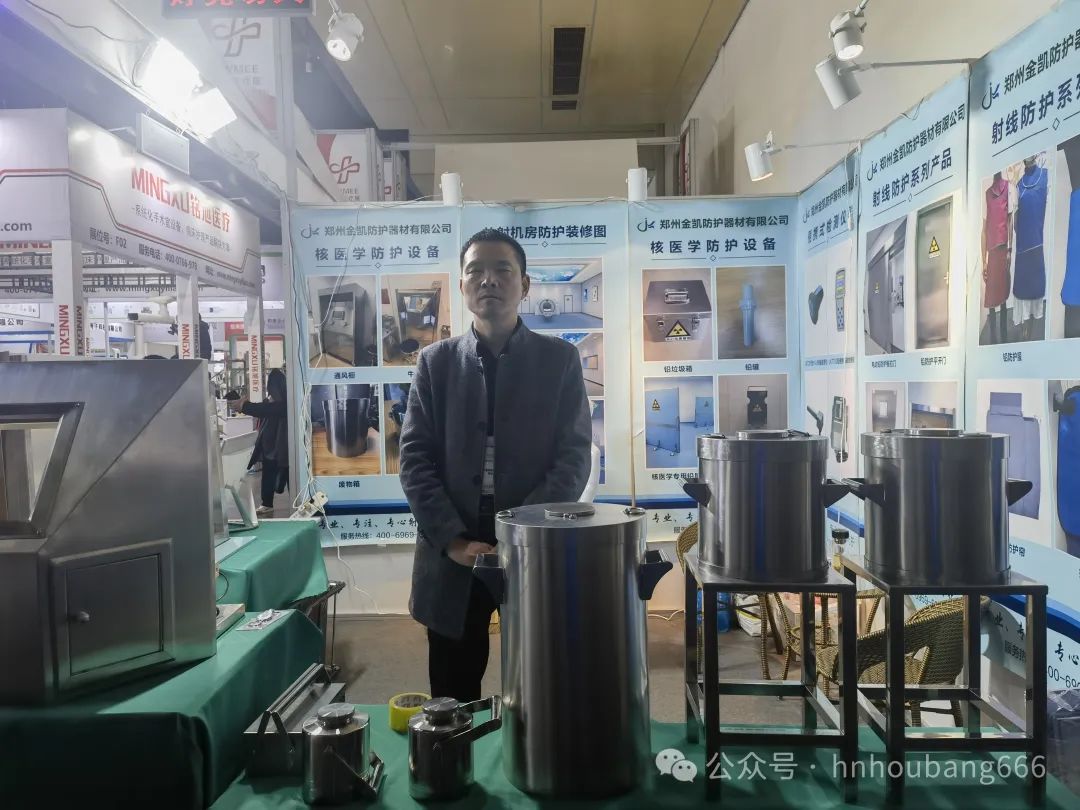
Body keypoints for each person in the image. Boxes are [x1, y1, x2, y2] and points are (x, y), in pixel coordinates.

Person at [399, 228, 592, 702]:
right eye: (475, 271)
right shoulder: (436, 363)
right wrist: (452, 540)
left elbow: (573, 458)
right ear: (462, 286)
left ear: (524, 284)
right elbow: (415, 460)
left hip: (531, 548)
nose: (488, 280)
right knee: (452, 696)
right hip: (453, 554)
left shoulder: (559, 360)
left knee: (538, 691)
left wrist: (520, 532)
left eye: (502, 269)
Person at [236, 368, 289, 516]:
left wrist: (244, 406)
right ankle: (267, 503)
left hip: (282, 447)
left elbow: (266, 409)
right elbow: (262, 409)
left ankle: (298, 501)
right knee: (269, 474)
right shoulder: (272, 402)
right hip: (270, 447)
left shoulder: (285, 404)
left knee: (289, 474)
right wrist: (245, 405)